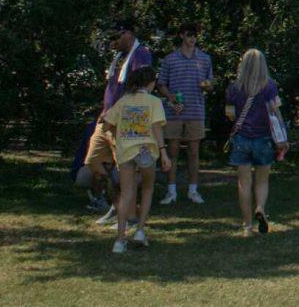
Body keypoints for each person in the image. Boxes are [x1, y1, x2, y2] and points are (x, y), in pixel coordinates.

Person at [85, 19, 153, 226]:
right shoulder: (119, 57)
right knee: (93, 161)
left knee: (126, 170)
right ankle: (116, 204)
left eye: (117, 36)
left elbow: (143, 86)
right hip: (106, 118)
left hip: (124, 122)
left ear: (130, 34)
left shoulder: (141, 54)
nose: (114, 40)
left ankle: (130, 214)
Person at [102, 65, 169, 253]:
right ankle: (140, 229)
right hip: (147, 151)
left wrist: (118, 136)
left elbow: (106, 125)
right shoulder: (154, 102)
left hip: (125, 152)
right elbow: (157, 128)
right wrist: (163, 152)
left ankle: (120, 240)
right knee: (147, 189)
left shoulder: (123, 101)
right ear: (150, 83)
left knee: (127, 193)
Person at [225, 48, 283, 236]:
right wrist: (282, 136)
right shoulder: (270, 86)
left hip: (242, 137)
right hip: (264, 137)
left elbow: (230, 114)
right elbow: (276, 111)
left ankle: (247, 225)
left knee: (243, 183)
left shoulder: (235, 87)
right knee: (262, 180)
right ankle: (260, 207)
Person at [156, 22, 214, 205]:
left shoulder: (205, 59)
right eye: (189, 34)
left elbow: (210, 83)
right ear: (181, 35)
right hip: (174, 112)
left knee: (194, 152)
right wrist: (170, 97)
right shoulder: (170, 59)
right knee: (172, 151)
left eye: (195, 35)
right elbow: (160, 83)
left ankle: (193, 190)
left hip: (196, 110)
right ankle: (171, 190)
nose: (192, 38)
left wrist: (208, 85)